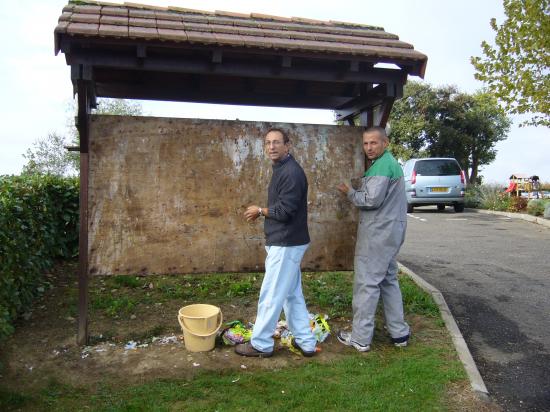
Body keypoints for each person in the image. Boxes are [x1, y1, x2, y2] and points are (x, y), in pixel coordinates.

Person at [235, 127, 317, 358]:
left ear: (287, 145)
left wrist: (260, 210)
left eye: (277, 142)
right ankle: (307, 343)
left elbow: (285, 211)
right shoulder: (282, 169)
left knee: (271, 295)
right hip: (287, 242)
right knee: (292, 296)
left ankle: (261, 343)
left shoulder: (291, 172)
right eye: (268, 143)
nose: (271, 146)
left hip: (286, 243)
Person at [336, 126, 410, 352]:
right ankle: (399, 333)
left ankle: (360, 338)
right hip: (390, 232)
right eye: (366, 143)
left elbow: (371, 200)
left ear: (385, 143)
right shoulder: (388, 164)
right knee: (388, 281)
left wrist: (349, 191)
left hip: (378, 234)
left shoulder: (383, 166)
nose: (369, 148)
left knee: (366, 284)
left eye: (374, 143)